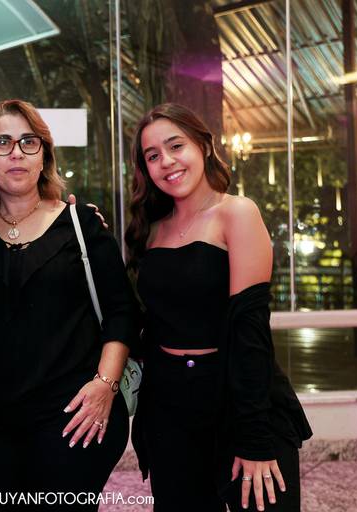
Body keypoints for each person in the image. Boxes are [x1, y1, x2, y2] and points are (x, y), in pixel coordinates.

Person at [125, 103, 312, 512]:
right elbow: (145, 322)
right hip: (170, 409)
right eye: (152, 155)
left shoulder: (236, 213)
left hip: (237, 398)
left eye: (176, 146)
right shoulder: (150, 229)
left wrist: (254, 437)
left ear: (204, 146)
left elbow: (250, 330)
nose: (166, 161)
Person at [0, 99, 139, 510]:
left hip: (73, 414)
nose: (16, 153)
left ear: (44, 155)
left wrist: (106, 385)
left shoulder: (81, 225)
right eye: (2, 143)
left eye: (29, 142)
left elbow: (122, 311)